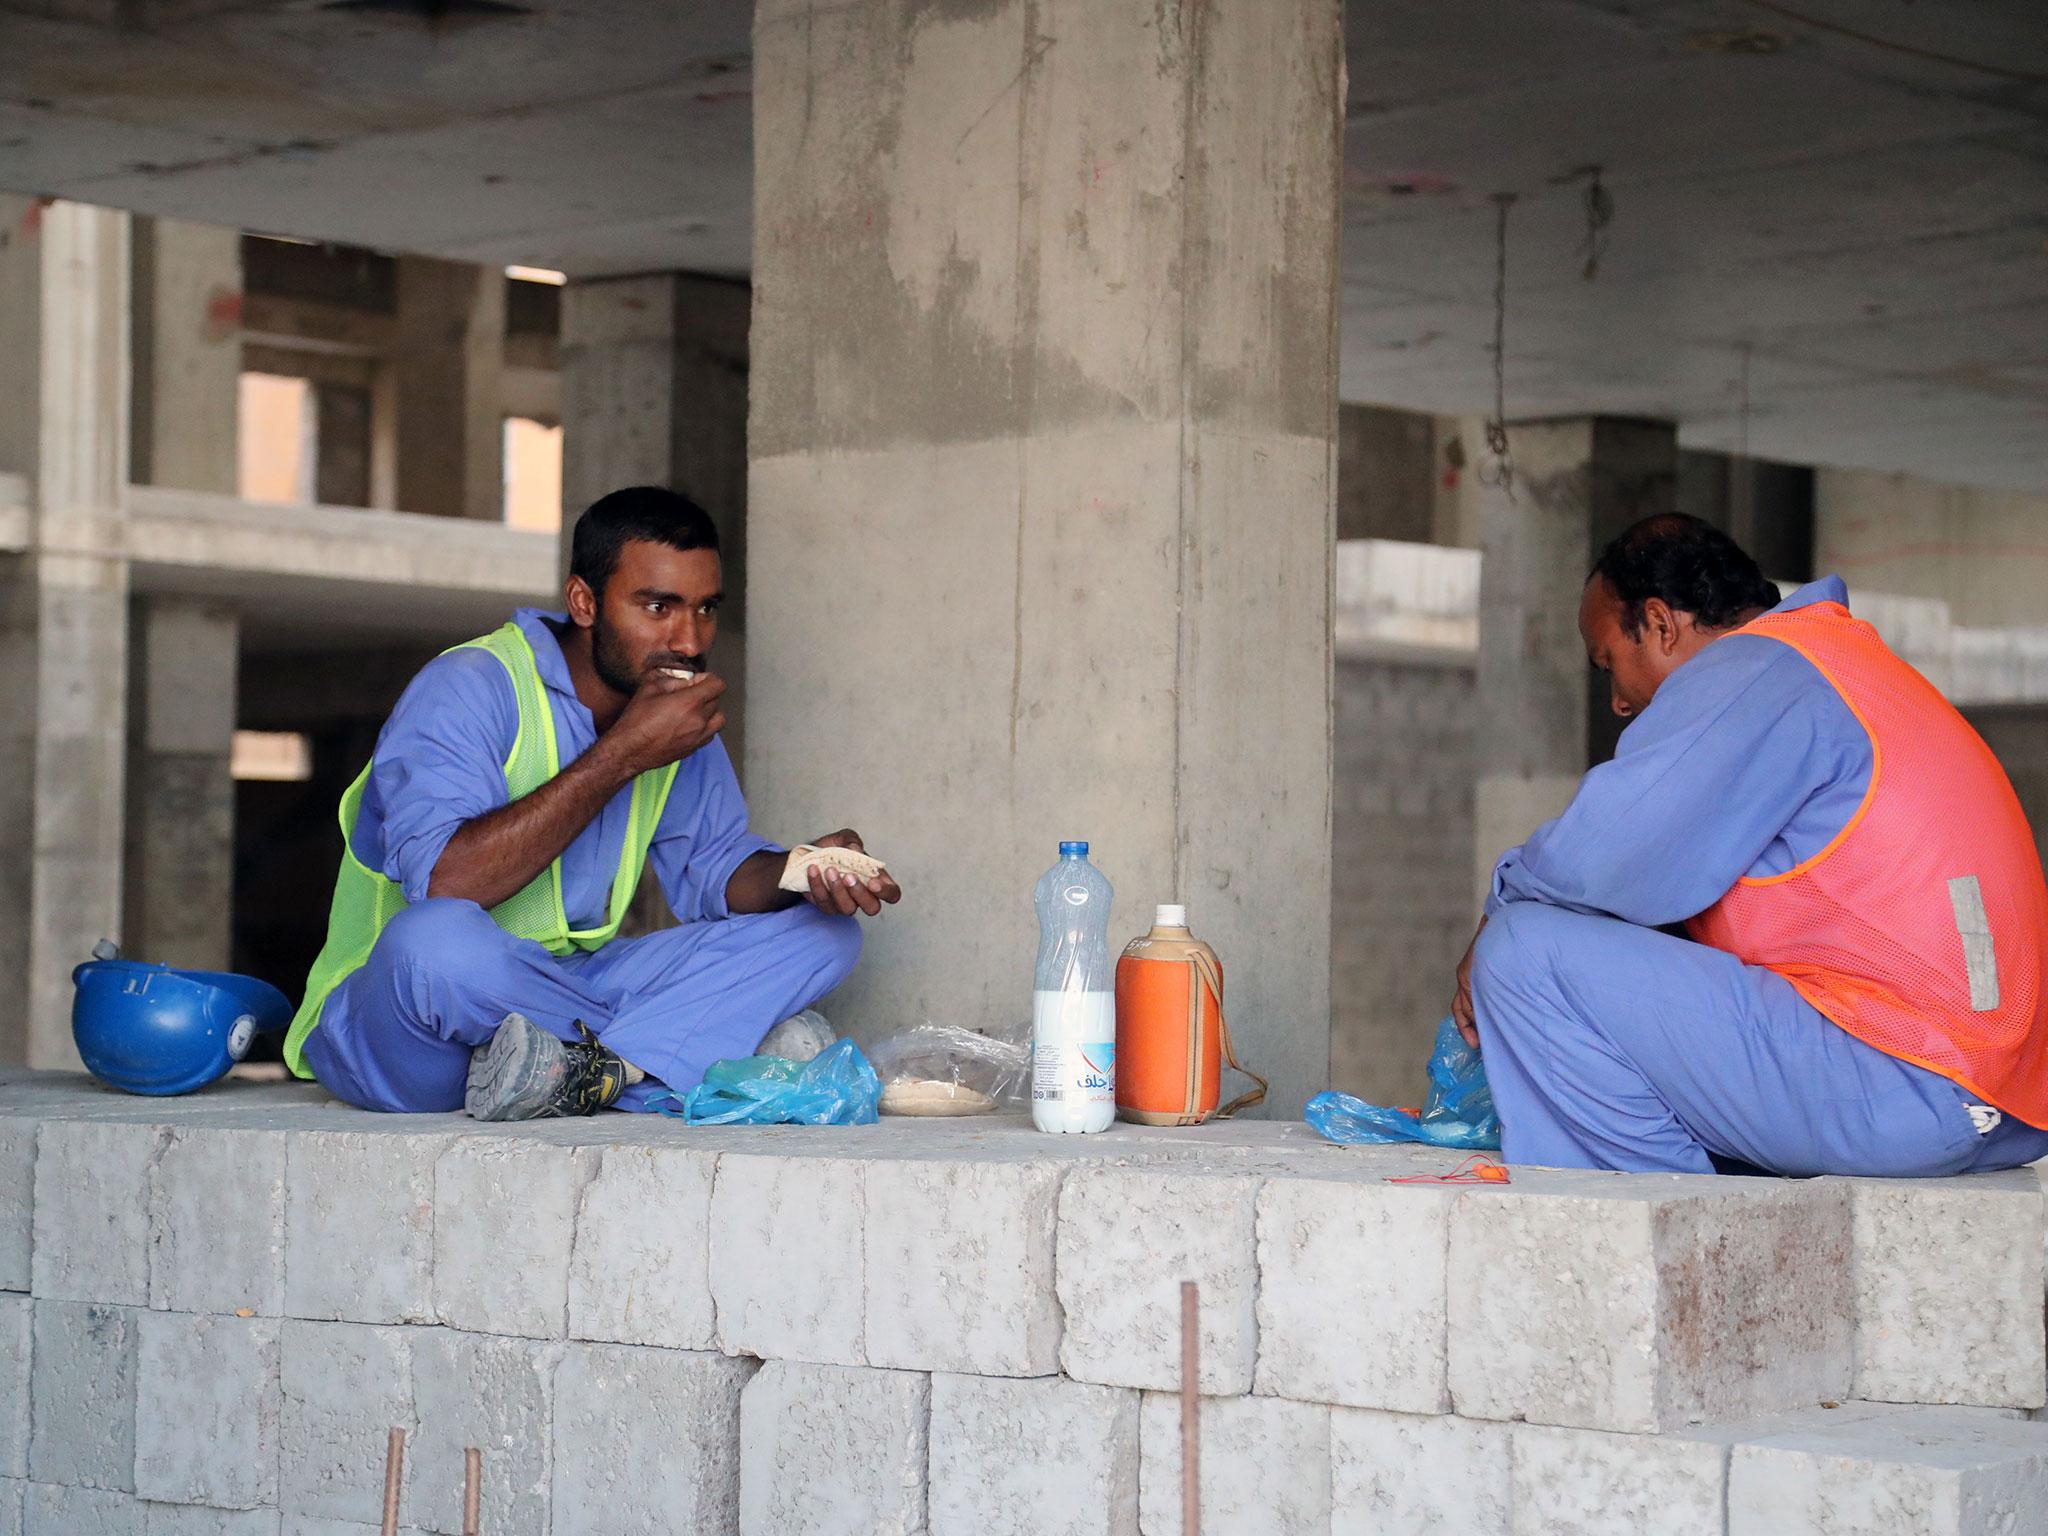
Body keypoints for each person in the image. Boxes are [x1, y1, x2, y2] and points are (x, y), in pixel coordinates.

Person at [1453, 513, 2048, 1176]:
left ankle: (1638, 1235)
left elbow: (1608, 855)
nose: (1618, 701)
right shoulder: (1846, 666)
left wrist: (1500, 909)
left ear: (1659, 623)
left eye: (1609, 663)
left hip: (1911, 1084)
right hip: (2003, 1103)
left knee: (1522, 955)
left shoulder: (1762, 670)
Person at [282, 486, 901, 1120]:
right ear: (585, 602)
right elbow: (447, 880)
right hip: (418, 1016)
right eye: (658, 606)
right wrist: (624, 752)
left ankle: (595, 1072)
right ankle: (678, 1055)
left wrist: (803, 869)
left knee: (825, 935)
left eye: (706, 608)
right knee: (432, 942)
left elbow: (716, 872)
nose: (689, 640)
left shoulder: (670, 712)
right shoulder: (471, 686)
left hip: (567, 989)